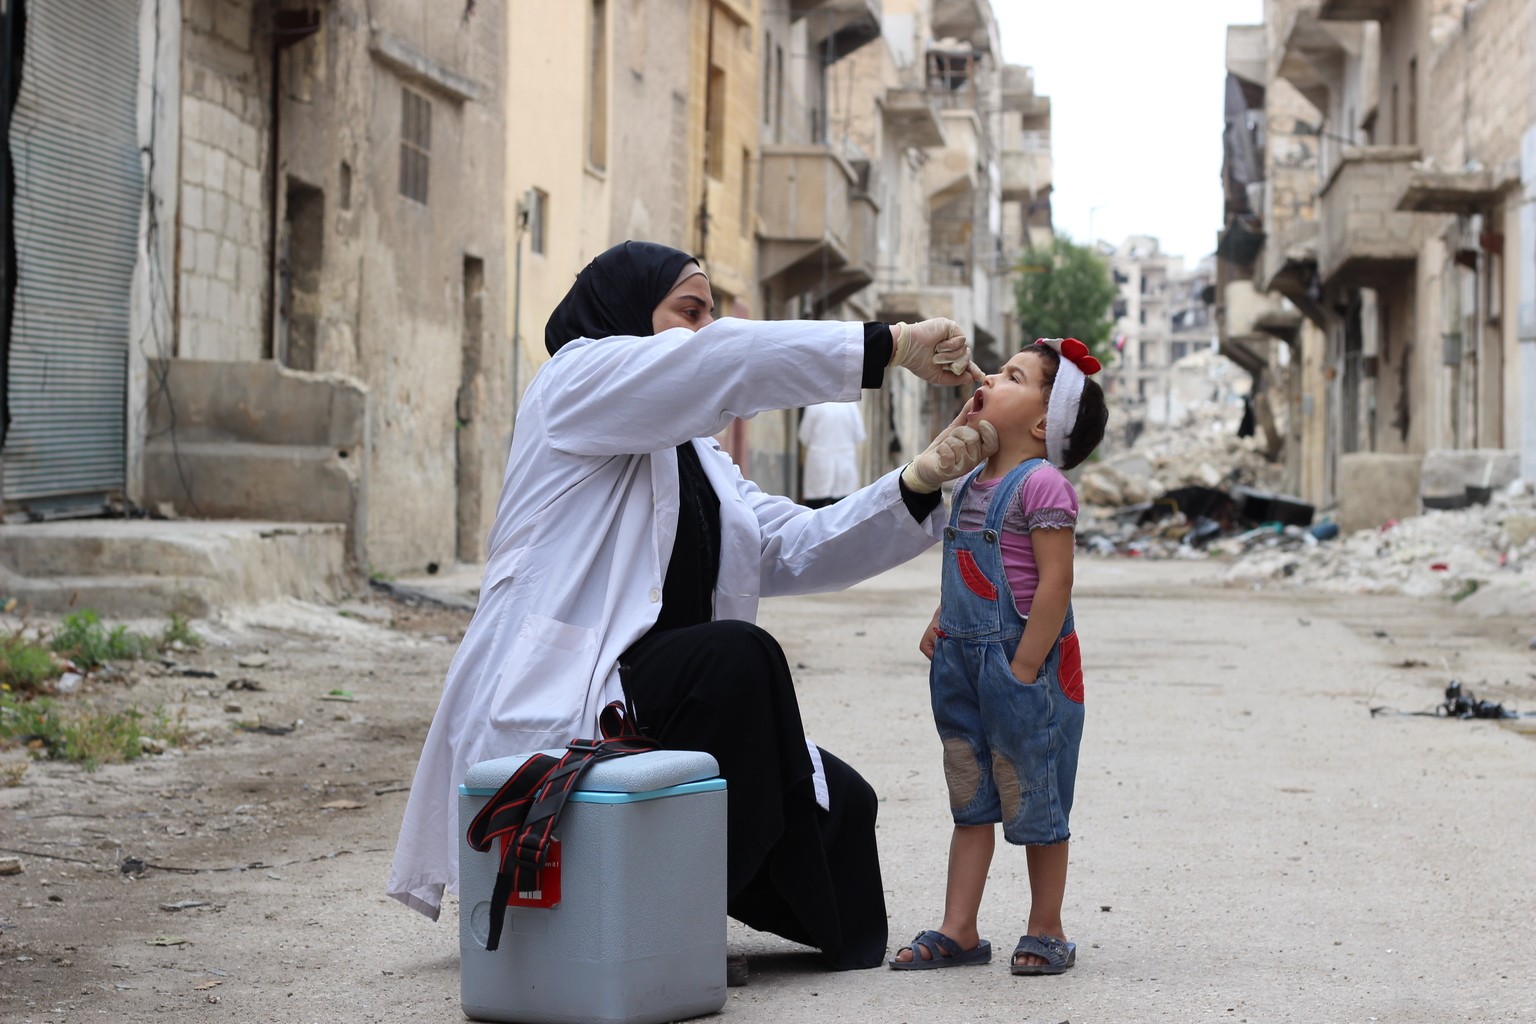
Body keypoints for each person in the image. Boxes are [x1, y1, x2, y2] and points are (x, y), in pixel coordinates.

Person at [387, 240, 1000, 973]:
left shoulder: (699, 455)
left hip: (665, 699)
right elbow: (718, 361)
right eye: (689, 310)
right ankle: (668, 926)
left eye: (713, 312)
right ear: (628, 312)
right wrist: (890, 345)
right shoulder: (574, 381)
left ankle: (687, 906)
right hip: (581, 694)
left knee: (846, 805)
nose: (706, 327)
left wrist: (919, 480)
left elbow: (793, 545)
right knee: (739, 661)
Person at [891, 337, 1108, 976]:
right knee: (972, 795)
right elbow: (968, 569)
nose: (990, 376)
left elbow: (1054, 582)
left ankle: (1047, 928)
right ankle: (960, 929)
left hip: (1022, 669)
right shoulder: (970, 483)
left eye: (1011, 375)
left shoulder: (1042, 486)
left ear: (1044, 423)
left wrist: (1024, 665)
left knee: (1034, 793)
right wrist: (942, 623)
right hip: (961, 661)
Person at [798, 401, 867, 508]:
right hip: (844, 465)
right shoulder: (850, 405)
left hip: (820, 464)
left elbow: (804, 436)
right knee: (843, 510)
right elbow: (859, 435)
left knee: (815, 510)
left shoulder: (815, 404)